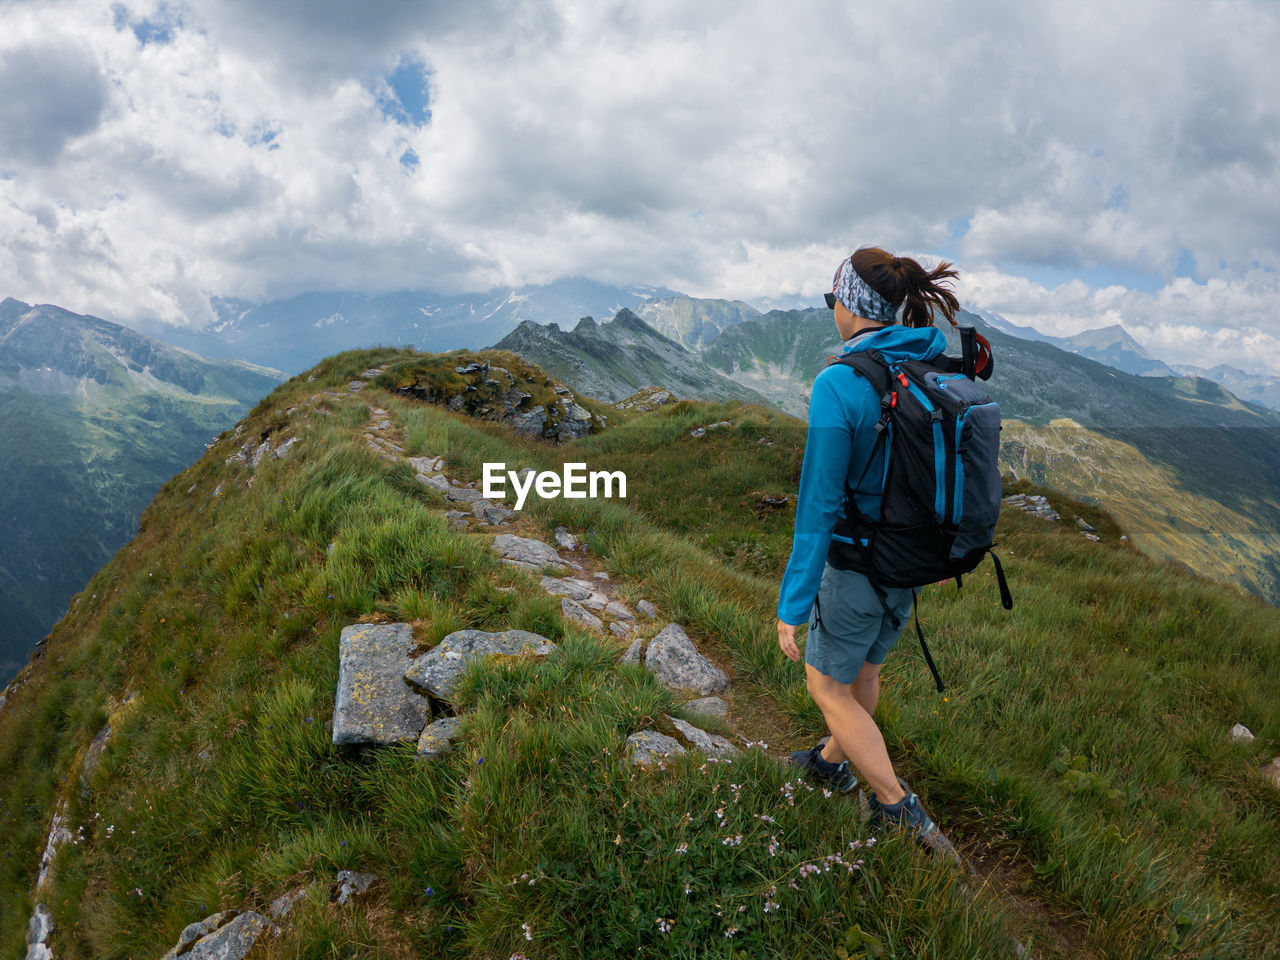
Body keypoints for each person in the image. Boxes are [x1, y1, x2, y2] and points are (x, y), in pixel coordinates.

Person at [776, 246, 962, 859]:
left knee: (827, 688)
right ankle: (831, 765)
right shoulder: (927, 366)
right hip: (906, 568)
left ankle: (896, 808)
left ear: (851, 306)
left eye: (833, 300)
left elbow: (817, 505)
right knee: (864, 674)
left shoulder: (840, 383)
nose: (831, 310)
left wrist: (793, 603)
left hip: (855, 567)